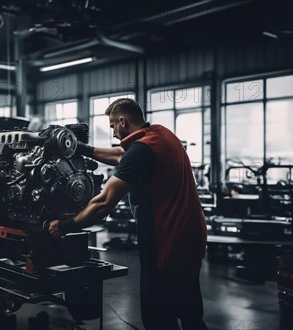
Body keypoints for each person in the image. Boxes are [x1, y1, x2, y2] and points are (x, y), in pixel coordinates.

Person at [48, 98, 208, 330]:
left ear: (122, 121)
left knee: (158, 318)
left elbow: (103, 203)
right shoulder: (158, 135)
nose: (113, 132)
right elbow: (120, 156)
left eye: (113, 125)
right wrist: (80, 149)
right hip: (189, 236)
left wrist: (63, 226)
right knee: (190, 311)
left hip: (166, 240)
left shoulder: (141, 151)